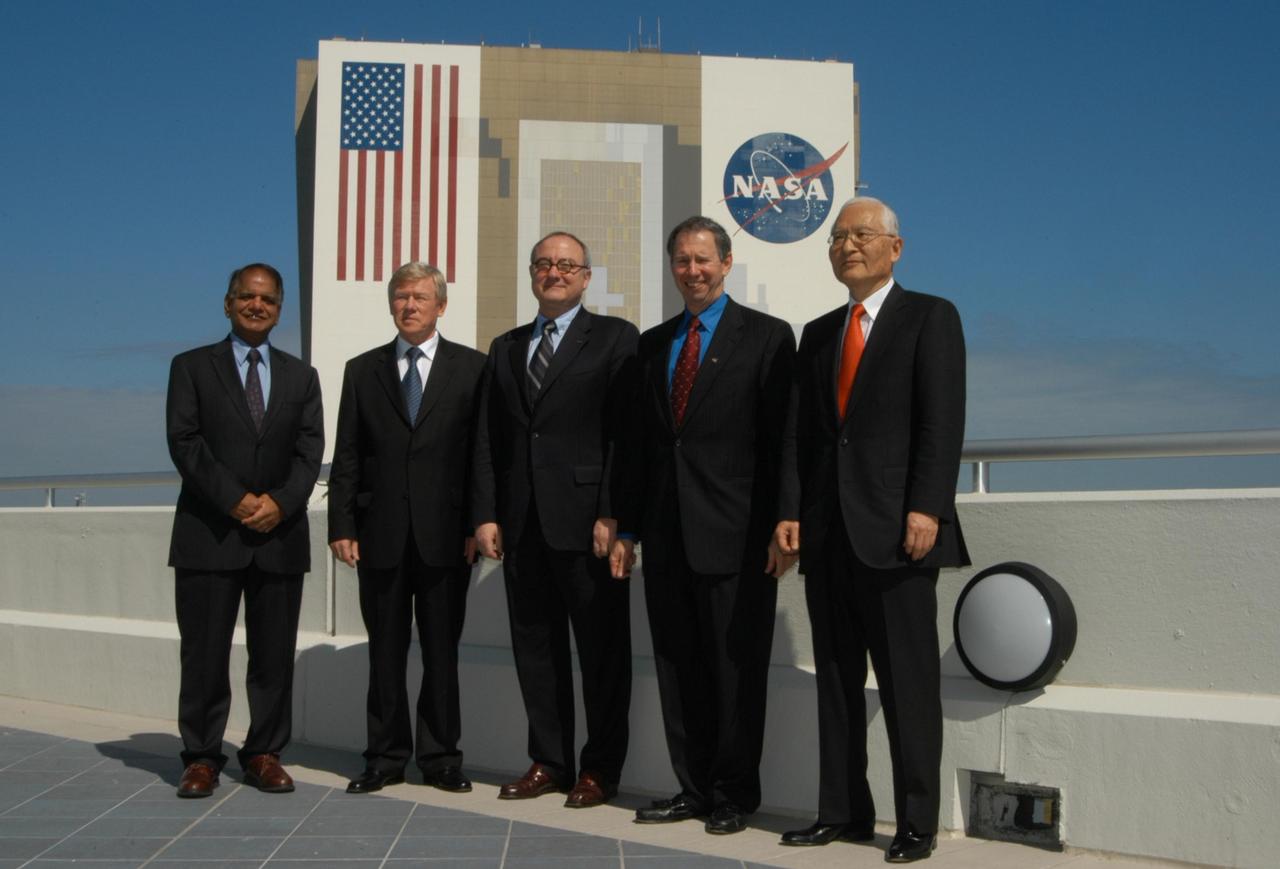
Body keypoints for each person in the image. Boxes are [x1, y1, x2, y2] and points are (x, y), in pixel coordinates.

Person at [775, 197, 969, 863]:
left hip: (898, 532)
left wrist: (928, 506)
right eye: (837, 237)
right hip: (828, 535)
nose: (847, 245)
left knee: (908, 684)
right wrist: (791, 511)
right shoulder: (819, 331)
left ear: (895, 247)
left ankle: (916, 821)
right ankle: (842, 812)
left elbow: (941, 421)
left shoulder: (931, 317)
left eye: (861, 234)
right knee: (834, 680)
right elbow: (803, 435)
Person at [621, 216, 796, 835]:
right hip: (666, 534)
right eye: (681, 262)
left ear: (725, 263)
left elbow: (784, 440)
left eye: (702, 260)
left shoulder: (769, 338)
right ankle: (692, 788)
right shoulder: (652, 343)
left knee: (734, 670)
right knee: (677, 667)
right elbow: (641, 445)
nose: (692, 271)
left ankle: (733, 794)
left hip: (739, 533)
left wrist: (786, 517)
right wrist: (627, 528)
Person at [471, 231, 638, 809]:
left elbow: (625, 435)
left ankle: (600, 769)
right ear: (531, 273)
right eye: (544, 263)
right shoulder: (506, 346)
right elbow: (490, 441)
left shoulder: (617, 338)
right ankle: (549, 761)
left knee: (602, 654)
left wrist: (613, 512)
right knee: (535, 651)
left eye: (567, 265)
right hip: (521, 525)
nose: (554, 272)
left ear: (587, 277)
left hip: (589, 524)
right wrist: (486, 514)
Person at [327, 262, 486, 795]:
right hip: (380, 534)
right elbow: (347, 454)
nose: (409, 305)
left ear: (441, 305)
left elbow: (481, 455)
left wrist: (476, 522)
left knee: (442, 653)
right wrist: (342, 524)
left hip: (449, 537)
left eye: (420, 297)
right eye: (400, 297)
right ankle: (385, 757)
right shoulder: (361, 370)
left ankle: (441, 758)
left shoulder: (472, 369)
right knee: (385, 653)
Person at [166, 263, 324, 798]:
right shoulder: (190, 367)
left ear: (280, 309)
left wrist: (279, 503)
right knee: (204, 653)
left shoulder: (302, 376)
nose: (258, 306)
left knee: (274, 656)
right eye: (247, 297)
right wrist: (236, 500)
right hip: (209, 534)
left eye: (269, 300)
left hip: (280, 536)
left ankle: (263, 752)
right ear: (228, 302)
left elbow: (310, 451)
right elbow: (185, 443)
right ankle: (202, 756)